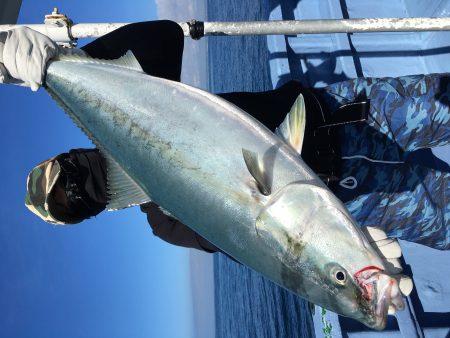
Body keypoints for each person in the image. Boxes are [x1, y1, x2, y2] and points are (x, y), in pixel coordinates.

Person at [1, 21, 449, 251]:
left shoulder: (138, 110)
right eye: (71, 203)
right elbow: (257, 239)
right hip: (352, 200)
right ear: (91, 214)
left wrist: (73, 64)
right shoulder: (166, 220)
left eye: (64, 180)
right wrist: (351, 249)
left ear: (70, 154)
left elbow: (164, 38)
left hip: (344, 117)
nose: (78, 190)